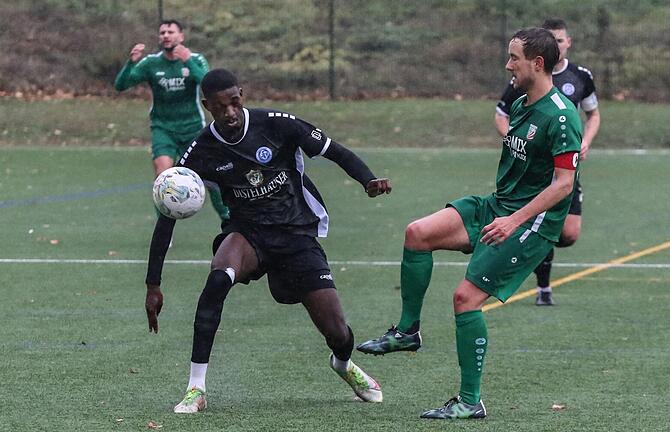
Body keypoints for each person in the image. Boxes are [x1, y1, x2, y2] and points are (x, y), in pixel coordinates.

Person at [358, 28, 582, 419]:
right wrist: (501, 211)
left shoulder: (562, 117)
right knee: (417, 233)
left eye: (514, 58)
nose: (507, 64)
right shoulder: (520, 104)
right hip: (496, 206)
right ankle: (407, 332)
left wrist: (514, 220)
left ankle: (469, 401)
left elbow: (564, 185)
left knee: (465, 299)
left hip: (530, 223)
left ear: (537, 63)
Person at [144, 68, 393, 413]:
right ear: (207, 106)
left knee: (337, 331)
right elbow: (167, 213)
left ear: (242, 95)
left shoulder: (277, 124)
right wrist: (153, 284)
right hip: (248, 233)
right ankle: (196, 388)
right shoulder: (201, 149)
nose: (229, 112)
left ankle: (343, 363)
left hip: (295, 233)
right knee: (218, 279)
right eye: (220, 107)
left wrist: (366, 179)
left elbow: (335, 151)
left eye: (234, 102)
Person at [494, 18, 599, 306]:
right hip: (537, 172)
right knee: (544, 221)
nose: (558, 44)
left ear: (568, 43)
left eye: (561, 40)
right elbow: (502, 115)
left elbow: (593, 114)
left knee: (569, 234)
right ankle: (543, 287)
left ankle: (531, 240)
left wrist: (585, 140)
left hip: (566, 165)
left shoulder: (580, 77)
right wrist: (514, 140)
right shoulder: (523, 79)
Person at [114, 19, 230, 221]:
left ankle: (228, 218)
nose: (166, 35)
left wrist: (188, 62)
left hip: (193, 129)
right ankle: (164, 226)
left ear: (181, 36)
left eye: (170, 31)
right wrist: (130, 64)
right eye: (162, 32)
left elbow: (208, 84)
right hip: (163, 129)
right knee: (163, 175)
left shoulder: (195, 58)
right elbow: (121, 85)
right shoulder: (151, 63)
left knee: (211, 178)